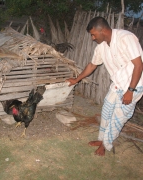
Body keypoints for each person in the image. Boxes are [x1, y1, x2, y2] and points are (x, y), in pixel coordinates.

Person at [67, 16, 143, 156]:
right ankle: (101, 139)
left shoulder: (126, 38)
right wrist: (76, 79)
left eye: (93, 34)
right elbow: (92, 65)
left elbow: (139, 65)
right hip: (118, 84)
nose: (92, 38)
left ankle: (105, 145)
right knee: (106, 111)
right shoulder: (101, 47)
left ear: (102, 30)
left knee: (118, 117)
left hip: (134, 85)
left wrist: (130, 91)